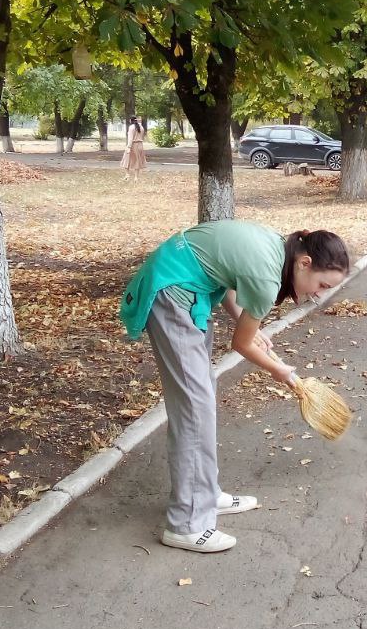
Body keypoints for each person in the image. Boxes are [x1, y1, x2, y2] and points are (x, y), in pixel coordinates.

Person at [120, 224, 349, 554]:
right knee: (194, 411)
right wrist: (279, 370)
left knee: (200, 399)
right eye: (322, 284)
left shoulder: (277, 249)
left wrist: (249, 324)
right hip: (172, 294)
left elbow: (227, 278)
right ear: (304, 263)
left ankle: (206, 494)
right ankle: (186, 524)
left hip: (189, 291)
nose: (319, 293)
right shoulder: (268, 277)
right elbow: (241, 344)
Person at [121, 116, 147, 182]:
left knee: (126, 160)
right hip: (140, 145)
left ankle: (127, 174)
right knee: (137, 161)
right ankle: (136, 177)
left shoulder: (131, 127)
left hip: (133, 145)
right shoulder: (141, 127)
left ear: (130, 120)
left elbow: (130, 138)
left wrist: (129, 147)